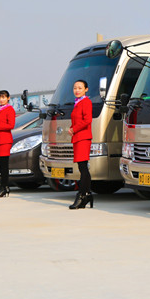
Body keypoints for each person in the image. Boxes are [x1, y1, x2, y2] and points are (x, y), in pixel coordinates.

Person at [68, 80, 93, 209]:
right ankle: (86, 194)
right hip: (78, 138)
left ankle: (82, 195)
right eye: (75, 88)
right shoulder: (77, 103)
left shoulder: (86, 102)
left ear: (86, 89)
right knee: (82, 167)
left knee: (83, 167)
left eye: (80, 88)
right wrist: (72, 128)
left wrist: (74, 129)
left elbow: (87, 120)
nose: (77, 90)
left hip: (83, 137)